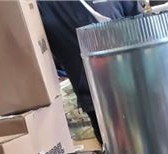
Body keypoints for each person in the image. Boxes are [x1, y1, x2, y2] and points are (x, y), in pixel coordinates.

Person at [38, 1, 142, 142]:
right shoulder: (41, 5)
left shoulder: (41, 5)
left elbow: (140, 24)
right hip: (99, 97)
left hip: (130, 91)